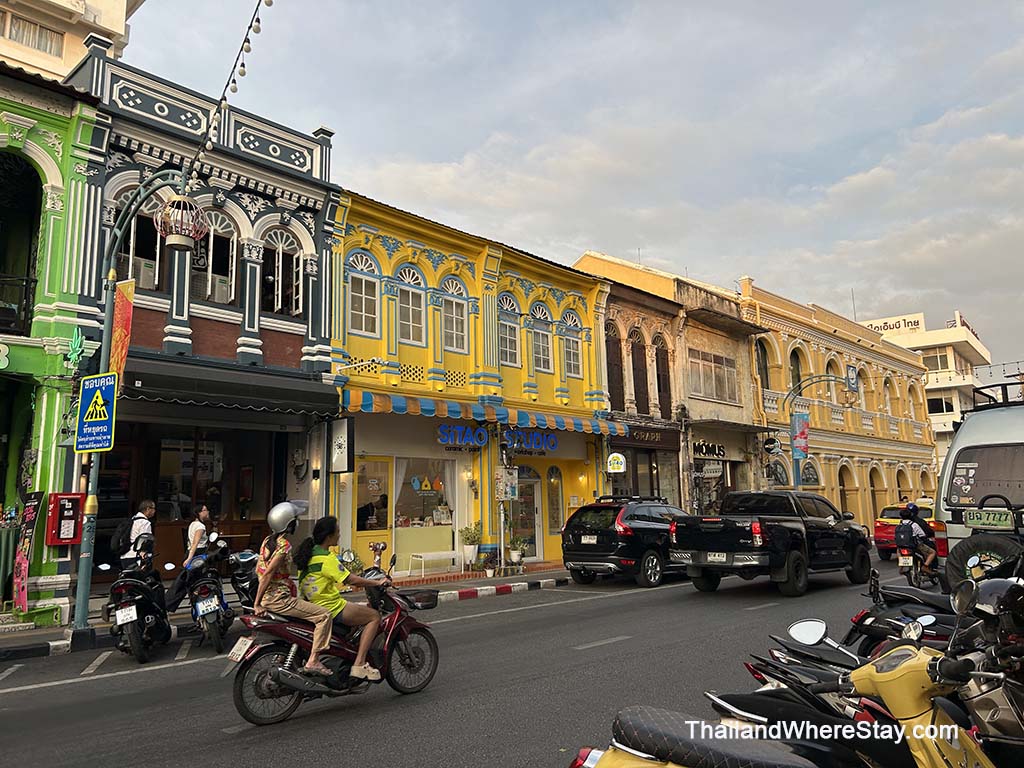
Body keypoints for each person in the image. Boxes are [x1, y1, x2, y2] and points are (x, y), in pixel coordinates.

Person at [294, 516, 389, 681]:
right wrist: (377, 581)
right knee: (373, 616)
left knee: (356, 611)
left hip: (310, 606)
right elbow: (350, 579)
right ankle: (359, 664)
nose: (339, 535)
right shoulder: (327, 558)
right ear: (329, 536)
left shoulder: (308, 555)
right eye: (337, 532)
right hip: (330, 607)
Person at [254, 502, 332, 676]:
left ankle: (285, 658)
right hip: (279, 599)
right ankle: (313, 660)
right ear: (288, 523)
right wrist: (257, 603)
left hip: (273, 597)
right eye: (295, 519)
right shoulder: (283, 546)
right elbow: (268, 574)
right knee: (324, 616)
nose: (297, 523)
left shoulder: (267, 541)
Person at [899, 503, 936, 574]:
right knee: (932, 552)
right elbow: (923, 534)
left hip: (902, 545)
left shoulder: (901, 524)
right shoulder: (916, 523)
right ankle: (926, 566)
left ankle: (902, 567)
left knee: (899, 551)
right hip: (915, 544)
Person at [122, 500, 156, 570]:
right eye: (153, 508)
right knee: (139, 579)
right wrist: (145, 554)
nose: (154, 511)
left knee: (129, 578)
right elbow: (145, 540)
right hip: (136, 556)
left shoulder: (133, 520)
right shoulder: (144, 523)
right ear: (148, 509)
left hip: (125, 555)